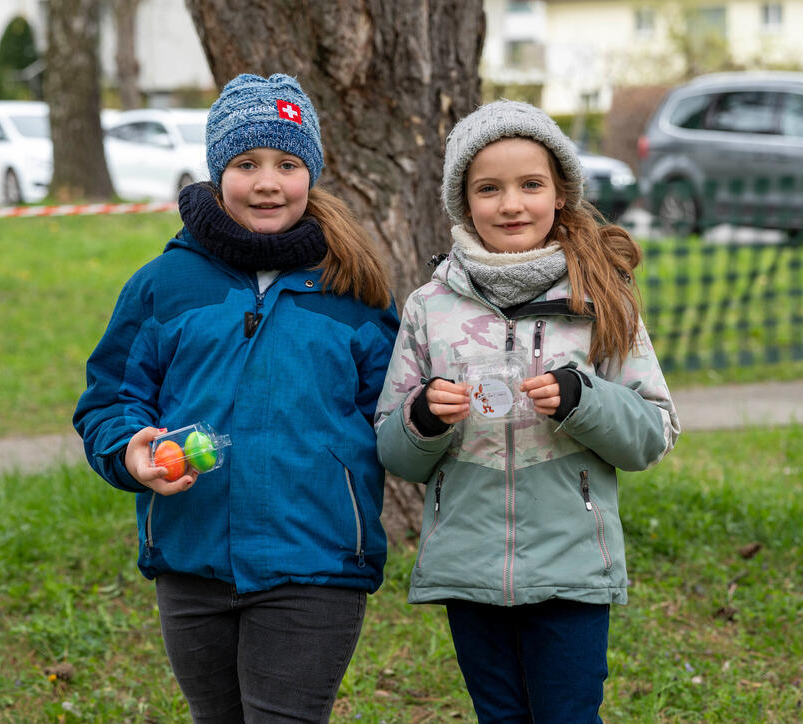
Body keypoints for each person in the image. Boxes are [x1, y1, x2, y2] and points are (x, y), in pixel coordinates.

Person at [73, 73, 399, 723]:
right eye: (246, 163)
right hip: (190, 561)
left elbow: (393, 419)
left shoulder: (354, 290)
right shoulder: (165, 284)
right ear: (219, 170)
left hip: (316, 562)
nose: (268, 182)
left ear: (312, 171)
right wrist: (132, 451)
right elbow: (109, 401)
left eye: (287, 163)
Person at [373, 100, 680, 724]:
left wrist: (581, 399)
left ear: (561, 193)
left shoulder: (601, 299)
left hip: (572, 565)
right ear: (464, 202)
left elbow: (652, 435)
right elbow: (393, 450)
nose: (511, 204)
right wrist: (426, 418)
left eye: (530, 185)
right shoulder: (430, 307)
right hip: (469, 565)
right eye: (489, 188)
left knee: (567, 715)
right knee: (499, 716)